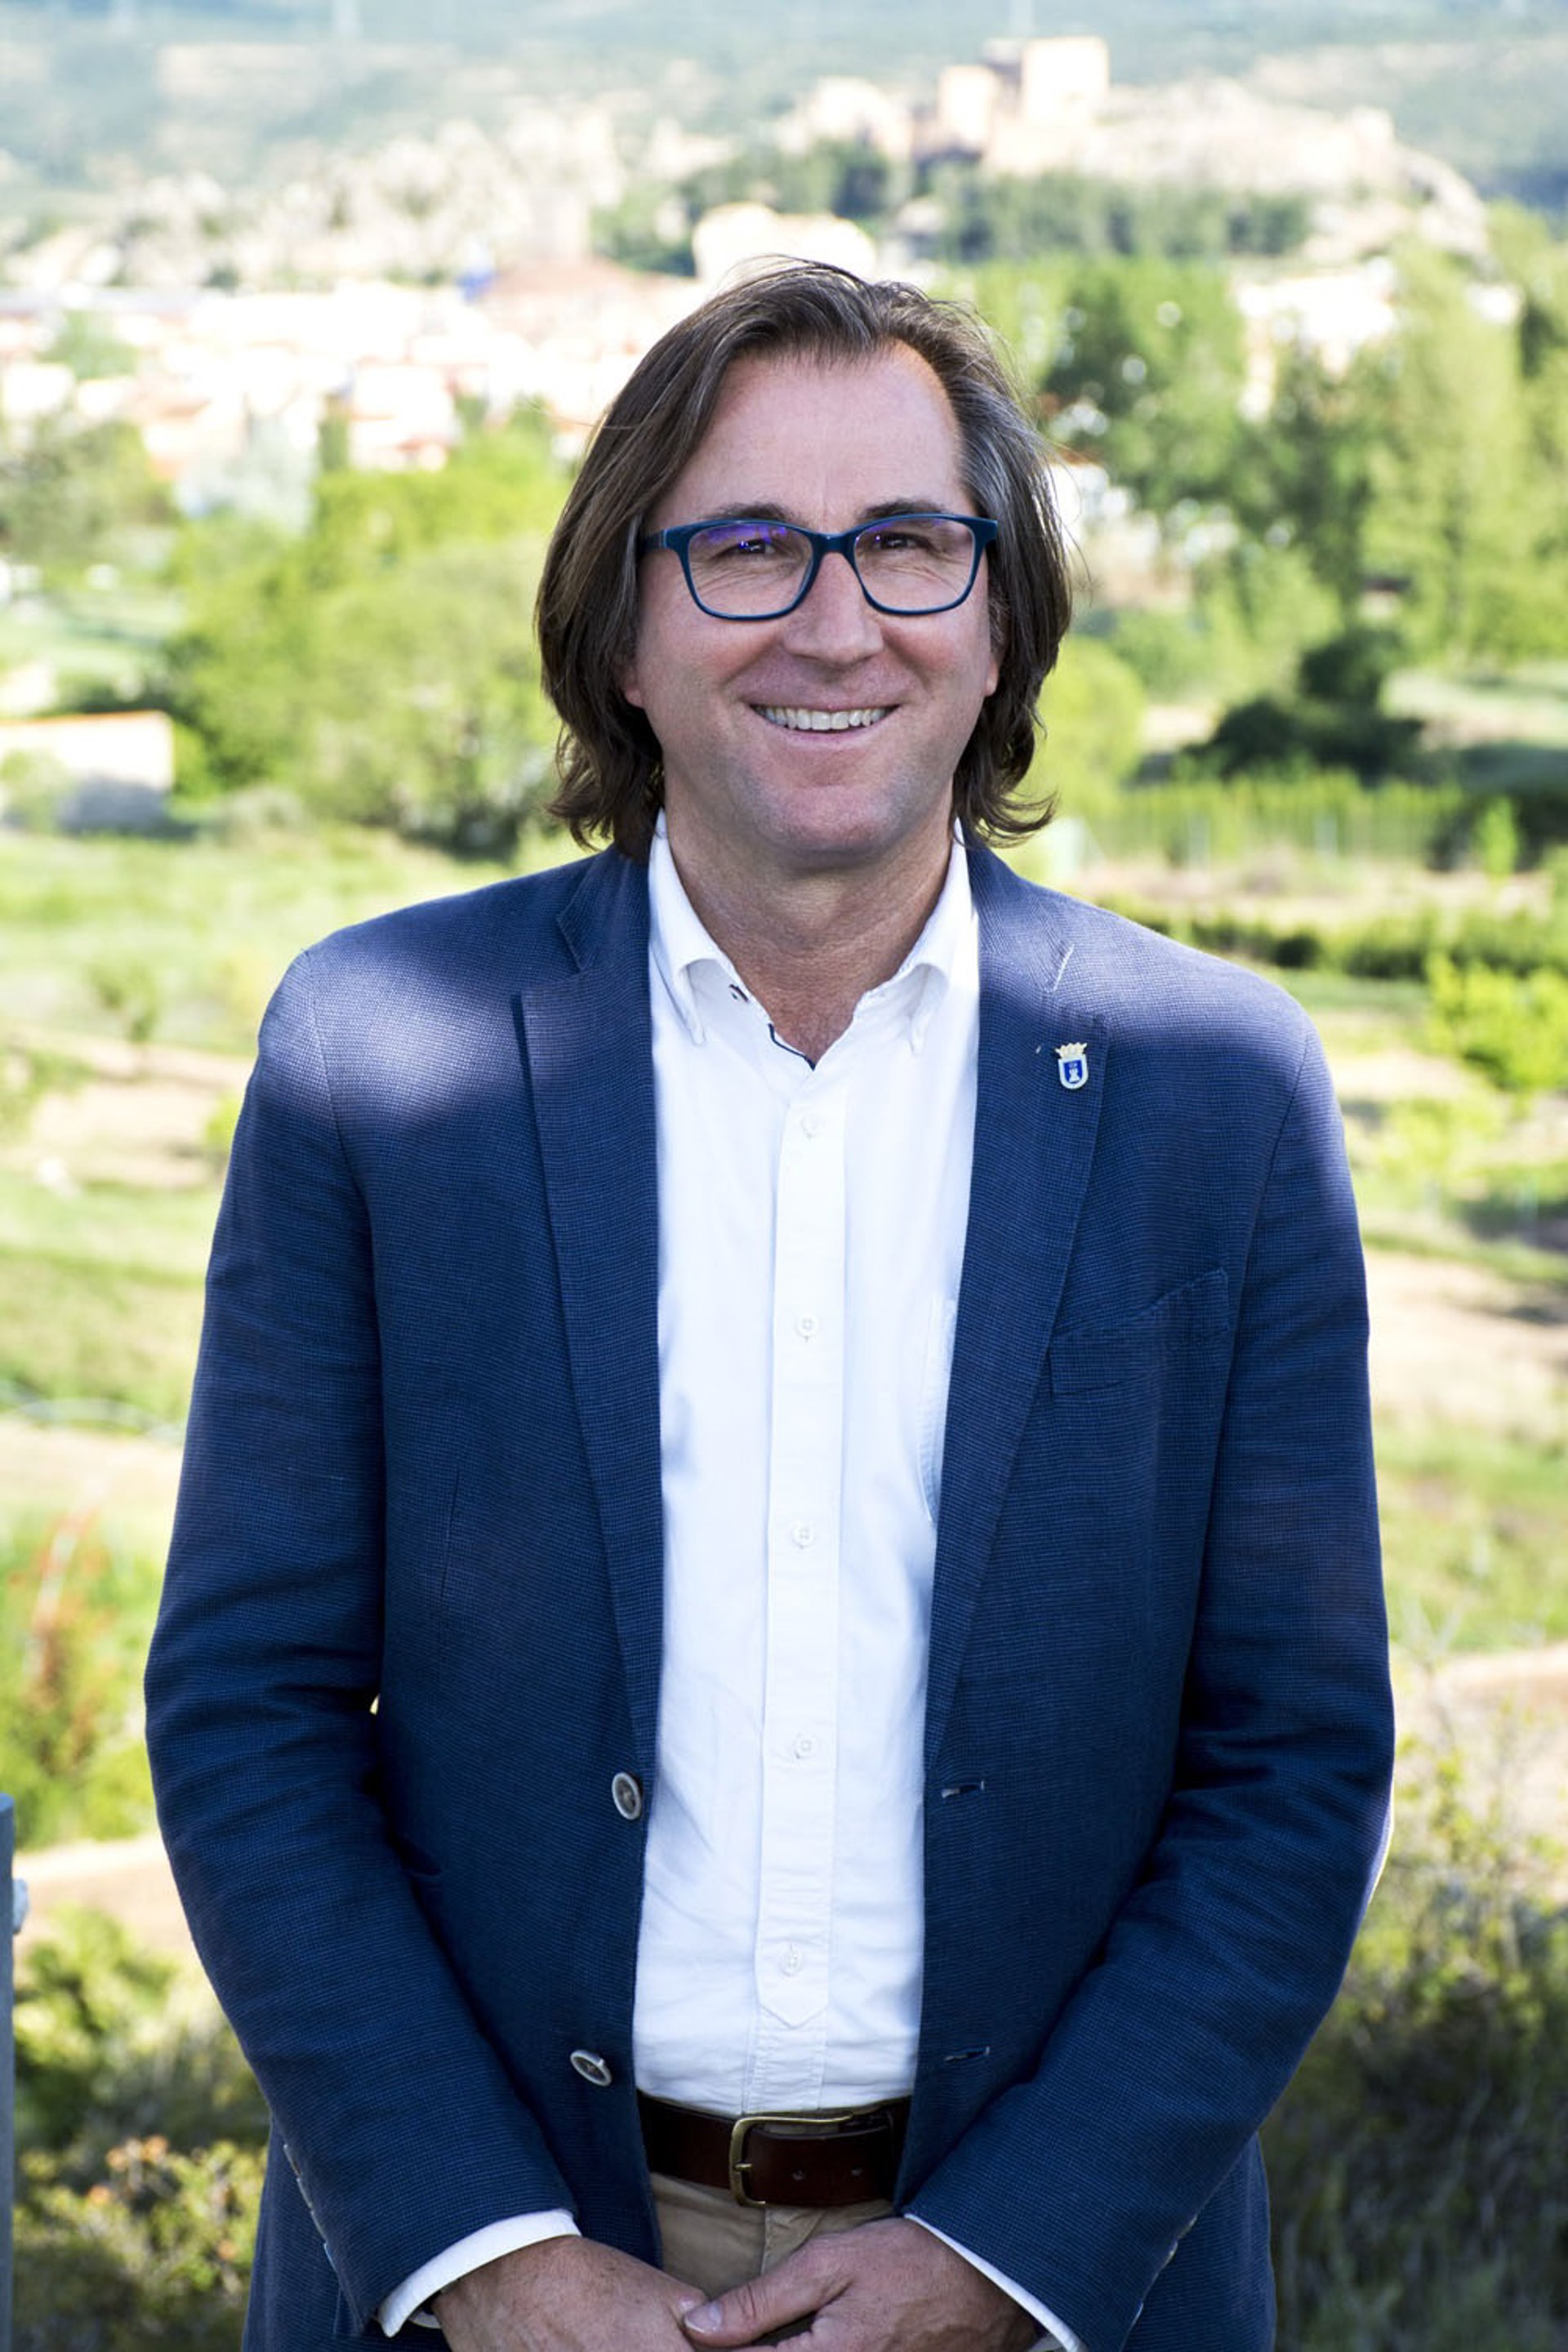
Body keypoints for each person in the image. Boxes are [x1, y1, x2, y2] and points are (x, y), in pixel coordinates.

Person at [145, 262, 1393, 2352]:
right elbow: (250, 1712)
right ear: (623, 632)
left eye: (907, 543)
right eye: (745, 549)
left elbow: (1292, 1760)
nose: (835, 622)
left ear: (997, 625)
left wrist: (1010, 2257)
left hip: (1054, 2285)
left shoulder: (1219, 1094)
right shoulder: (378, 1054)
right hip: (502, 2281)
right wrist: (481, 2253)